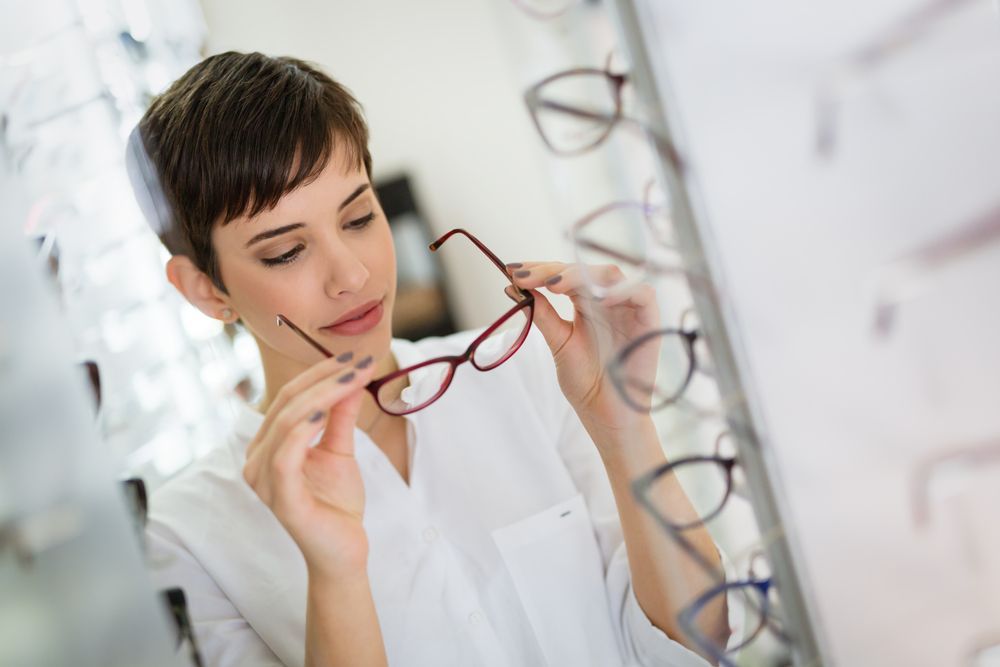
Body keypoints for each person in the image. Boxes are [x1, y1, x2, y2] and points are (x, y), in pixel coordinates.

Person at [131, 51, 733, 667]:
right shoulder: (189, 540)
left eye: (360, 216)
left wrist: (623, 428)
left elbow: (700, 640)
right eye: (286, 252)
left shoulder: (526, 374)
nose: (354, 274)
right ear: (207, 290)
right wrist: (336, 577)